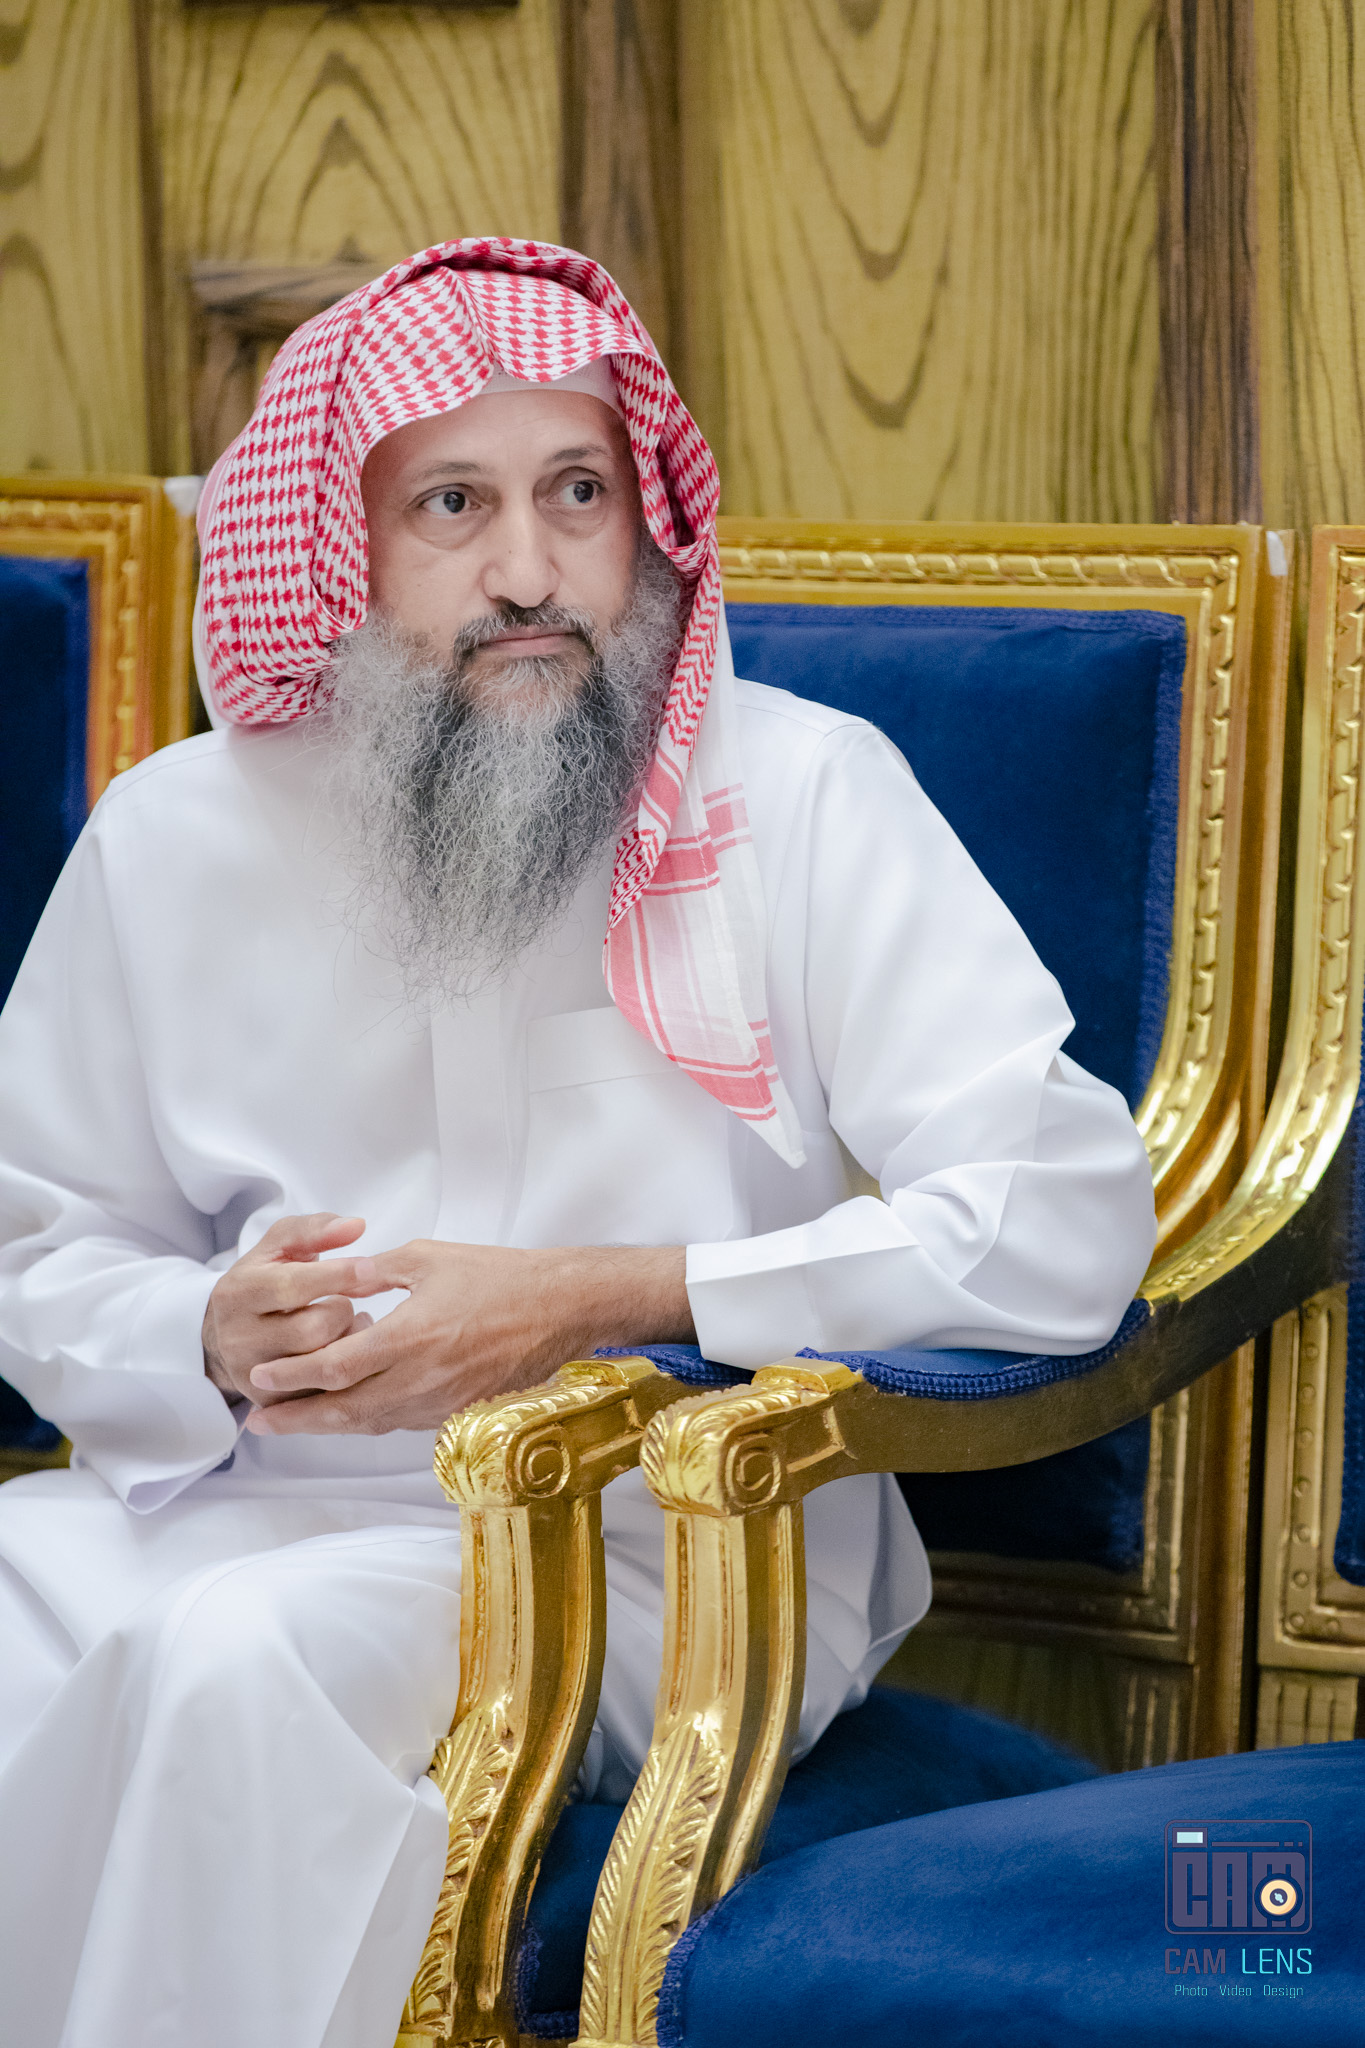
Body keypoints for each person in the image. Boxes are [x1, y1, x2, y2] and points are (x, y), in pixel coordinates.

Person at [0, 239, 1156, 2048]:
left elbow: (1058, 1220)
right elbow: (38, 1239)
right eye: (451, 504)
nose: (528, 574)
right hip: (237, 1500)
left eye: (578, 494)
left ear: (647, 519)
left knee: (238, 1665)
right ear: (338, 538)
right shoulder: (174, 837)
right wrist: (199, 1332)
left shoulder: (801, 794)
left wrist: (593, 1299)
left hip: (656, 1550)